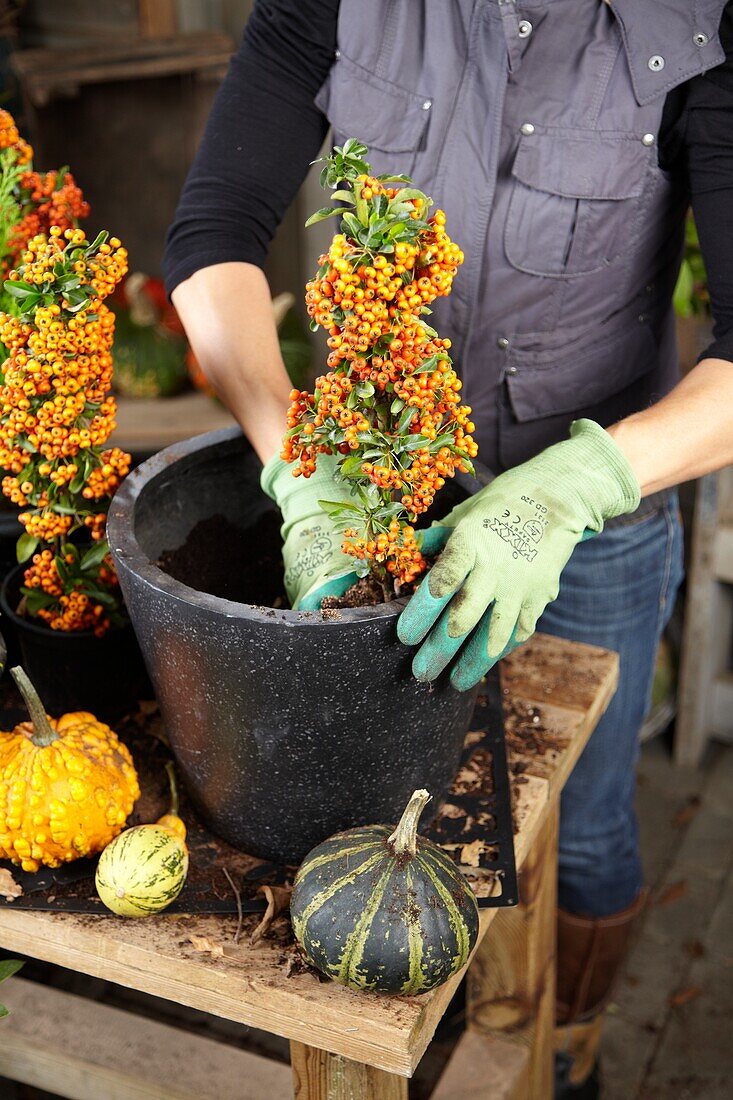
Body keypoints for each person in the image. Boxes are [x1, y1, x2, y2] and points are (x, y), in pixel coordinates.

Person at [164, 2, 733, 1094]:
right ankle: (425, 1031)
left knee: (581, 817)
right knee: (384, 805)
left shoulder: (695, 23)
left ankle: (559, 1053)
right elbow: (217, 229)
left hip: (590, 521)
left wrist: (581, 484)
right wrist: (298, 459)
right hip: (377, 497)